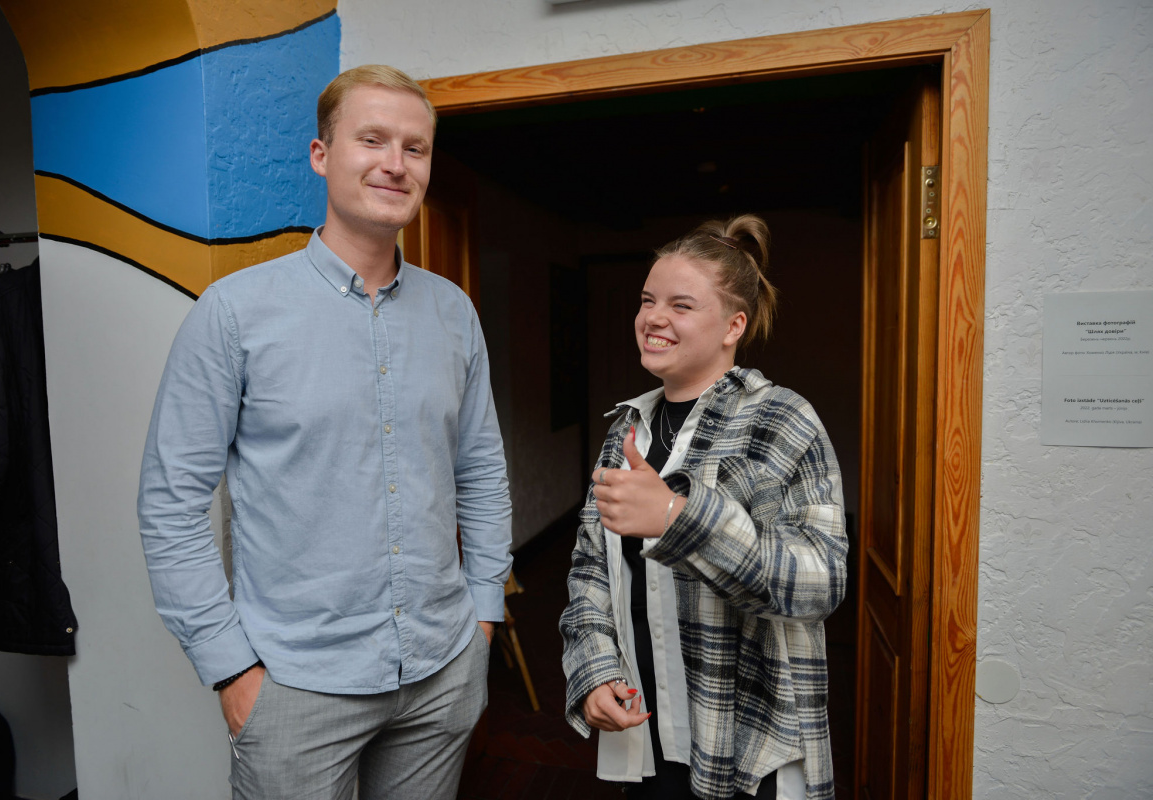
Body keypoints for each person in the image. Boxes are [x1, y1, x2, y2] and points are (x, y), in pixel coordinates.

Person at [137, 65, 512, 799]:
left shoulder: (453, 313)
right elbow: (170, 505)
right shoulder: (233, 313)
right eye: (372, 139)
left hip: (442, 670)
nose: (395, 163)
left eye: (414, 148)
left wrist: (484, 619)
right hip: (295, 687)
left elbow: (481, 473)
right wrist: (232, 670)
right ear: (321, 155)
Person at [560, 215, 847, 800]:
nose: (653, 317)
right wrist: (593, 669)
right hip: (643, 729)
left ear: (733, 326)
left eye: (681, 305)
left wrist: (678, 518)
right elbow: (590, 568)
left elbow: (823, 582)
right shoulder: (625, 432)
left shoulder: (782, 421)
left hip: (748, 746)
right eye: (647, 301)